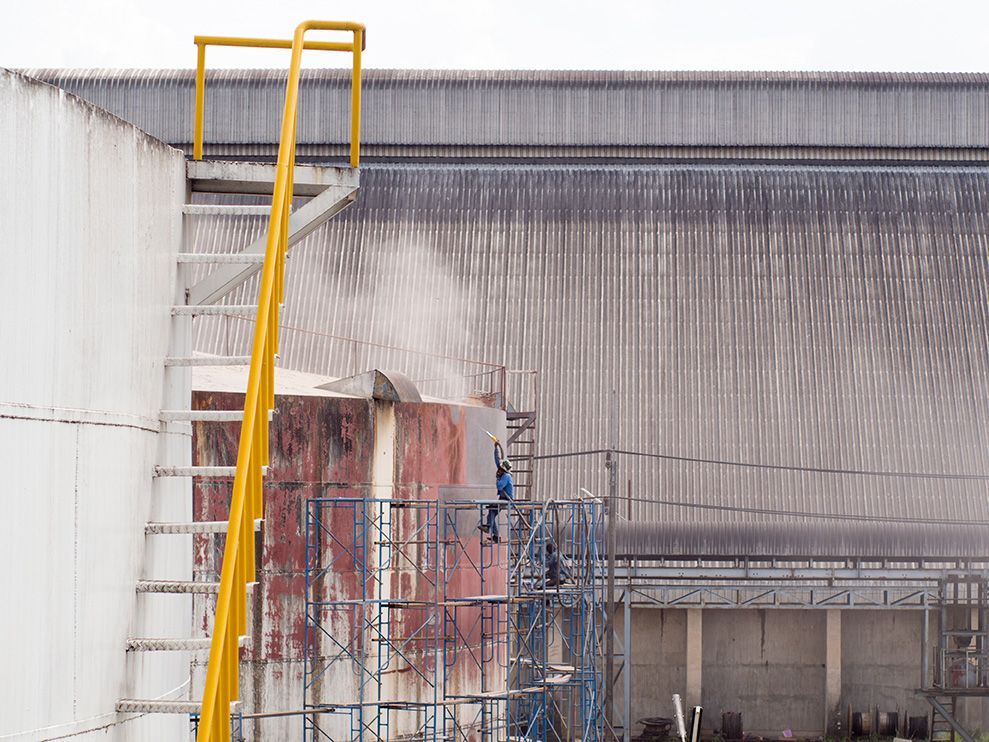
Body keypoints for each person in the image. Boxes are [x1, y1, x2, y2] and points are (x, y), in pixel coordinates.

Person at [479, 440, 513, 543]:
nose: (499, 470)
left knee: (492, 510)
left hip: (506, 500)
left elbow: (499, 486)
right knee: (491, 512)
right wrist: (496, 448)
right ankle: (496, 535)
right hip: (502, 498)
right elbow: (497, 460)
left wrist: (498, 478)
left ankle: (490, 529)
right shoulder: (503, 471)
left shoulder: (506, 476)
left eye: (502, 469)